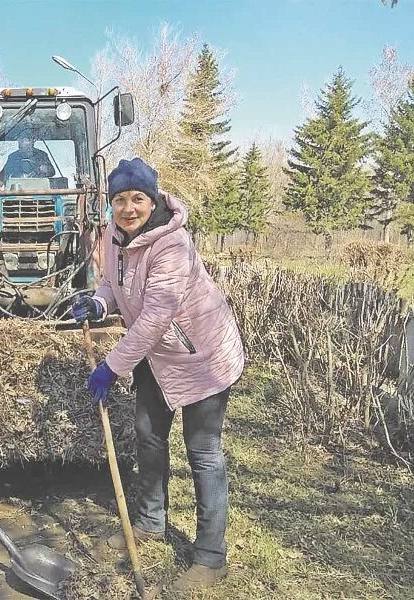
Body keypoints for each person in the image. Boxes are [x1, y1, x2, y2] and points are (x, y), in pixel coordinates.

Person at [71, 158, 244, 592]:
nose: (128, 209)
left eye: (137, 198)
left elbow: (153, 317)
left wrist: (111, 366)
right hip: (158, 357)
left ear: (153, 199)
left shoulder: (173, 244)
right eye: (119, 200)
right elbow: (113, 284)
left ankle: (210, 556)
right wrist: (98, 303)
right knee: (148, 436)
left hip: (202, 354)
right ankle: (150, 522)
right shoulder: (112, 236)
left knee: (203, 451)